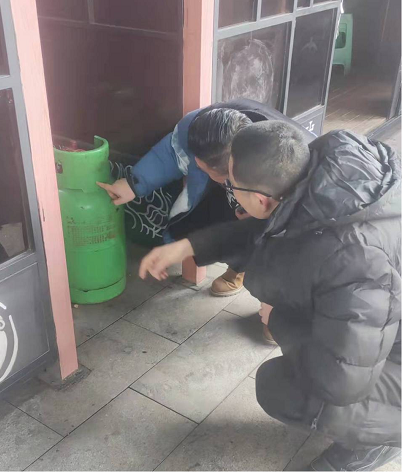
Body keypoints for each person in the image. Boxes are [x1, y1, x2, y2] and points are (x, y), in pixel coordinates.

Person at [139, 121, 401, 472]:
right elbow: (268, 226)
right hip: (382, 327)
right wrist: (188, 246)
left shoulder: (355, 259)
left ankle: (381, 440)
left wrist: (277, 318)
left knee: (282, 388)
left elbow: (340, 382)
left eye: (232, 186)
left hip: (384, 351)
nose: (231, 192)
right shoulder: (329, 180)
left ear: (261, 198)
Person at [98, 99, 313, 311]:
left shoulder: (299, 196)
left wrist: (276, 315)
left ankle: (251, 281)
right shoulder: (207, 128)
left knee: (270, 263)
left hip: (289, 227)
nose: (195, 166)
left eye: (202, 168)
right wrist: (132, 185)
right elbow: (172, 152)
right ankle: (241, 267)